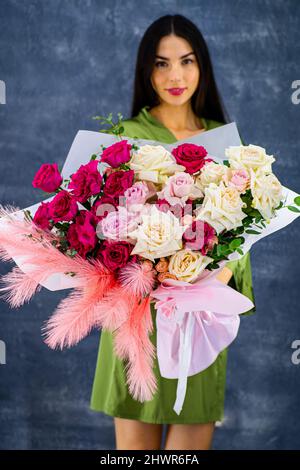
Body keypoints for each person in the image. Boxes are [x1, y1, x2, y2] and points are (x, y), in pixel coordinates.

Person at [90, 14, 256, 450]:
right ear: (147, 70)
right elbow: (102, 232)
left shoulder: (224, 143)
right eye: (162, 63)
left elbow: (241, 234)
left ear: (203, 66)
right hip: (136, 321)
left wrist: (215, 277)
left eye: (187, 61)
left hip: (197, 322)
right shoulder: (123, 139)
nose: (175, 75)